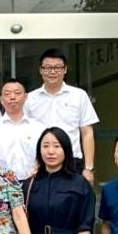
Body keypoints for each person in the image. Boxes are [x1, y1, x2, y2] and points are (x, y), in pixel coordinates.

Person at [24, 48, 99, 184]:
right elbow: (25, 133)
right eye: (48, 68)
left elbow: (87, 133)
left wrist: (89, 168)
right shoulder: (30, 99)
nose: (53, 71)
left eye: (57, 67)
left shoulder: (79, 96)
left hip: (72, 162)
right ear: (40, 70)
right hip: (41, 163)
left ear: (65, 70)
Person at [0, 79, 46, 181]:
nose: (12, 97)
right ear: (1, 99)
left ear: (25, 97)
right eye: (7, 94)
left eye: (17, 93)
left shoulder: (39, 128)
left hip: (33, 181)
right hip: (0, 184)